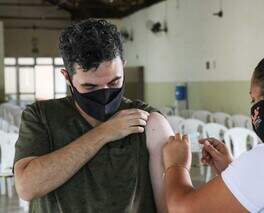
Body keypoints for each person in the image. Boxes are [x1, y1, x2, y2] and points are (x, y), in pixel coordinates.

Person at [14, 19, 172, 213]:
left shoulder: (149, 121)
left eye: (114, 82)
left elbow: (168, 206)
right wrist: (103, 133)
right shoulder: (41, 116)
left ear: (123, 66)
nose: (105, 93)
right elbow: (27, 187)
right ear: (67, 77)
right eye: (90, 87)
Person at [163, 46, 264, 213]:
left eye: (254, 101)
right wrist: (232, 171)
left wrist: (176, 165)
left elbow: (183, 209)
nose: (253, 109)